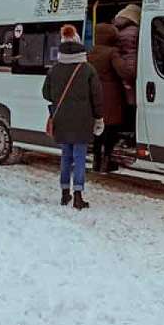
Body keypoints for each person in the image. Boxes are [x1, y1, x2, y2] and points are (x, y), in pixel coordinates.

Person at [42, 24, 104, 210]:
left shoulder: (55, 69)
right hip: (83, 121)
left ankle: (64, 194)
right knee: (79, 158)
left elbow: (46, 93)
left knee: (65, 157)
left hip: (61, 119)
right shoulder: (87, 69)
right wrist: (99, 118)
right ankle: (78, 196)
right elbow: (97, 96)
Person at [87, 23, 126, 173]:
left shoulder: (90, 52)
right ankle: (107, 160)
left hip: (95, 94)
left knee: (98, 129)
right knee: (111, 129)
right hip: (111, 97)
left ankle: (96, 161)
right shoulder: (112, 53)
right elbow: (123, 71)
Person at [112, 3, 141, 126]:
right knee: (134, 102)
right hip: (133, 67)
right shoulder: (135, 31)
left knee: (126, 100)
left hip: (121, 68)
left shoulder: (117, 31)